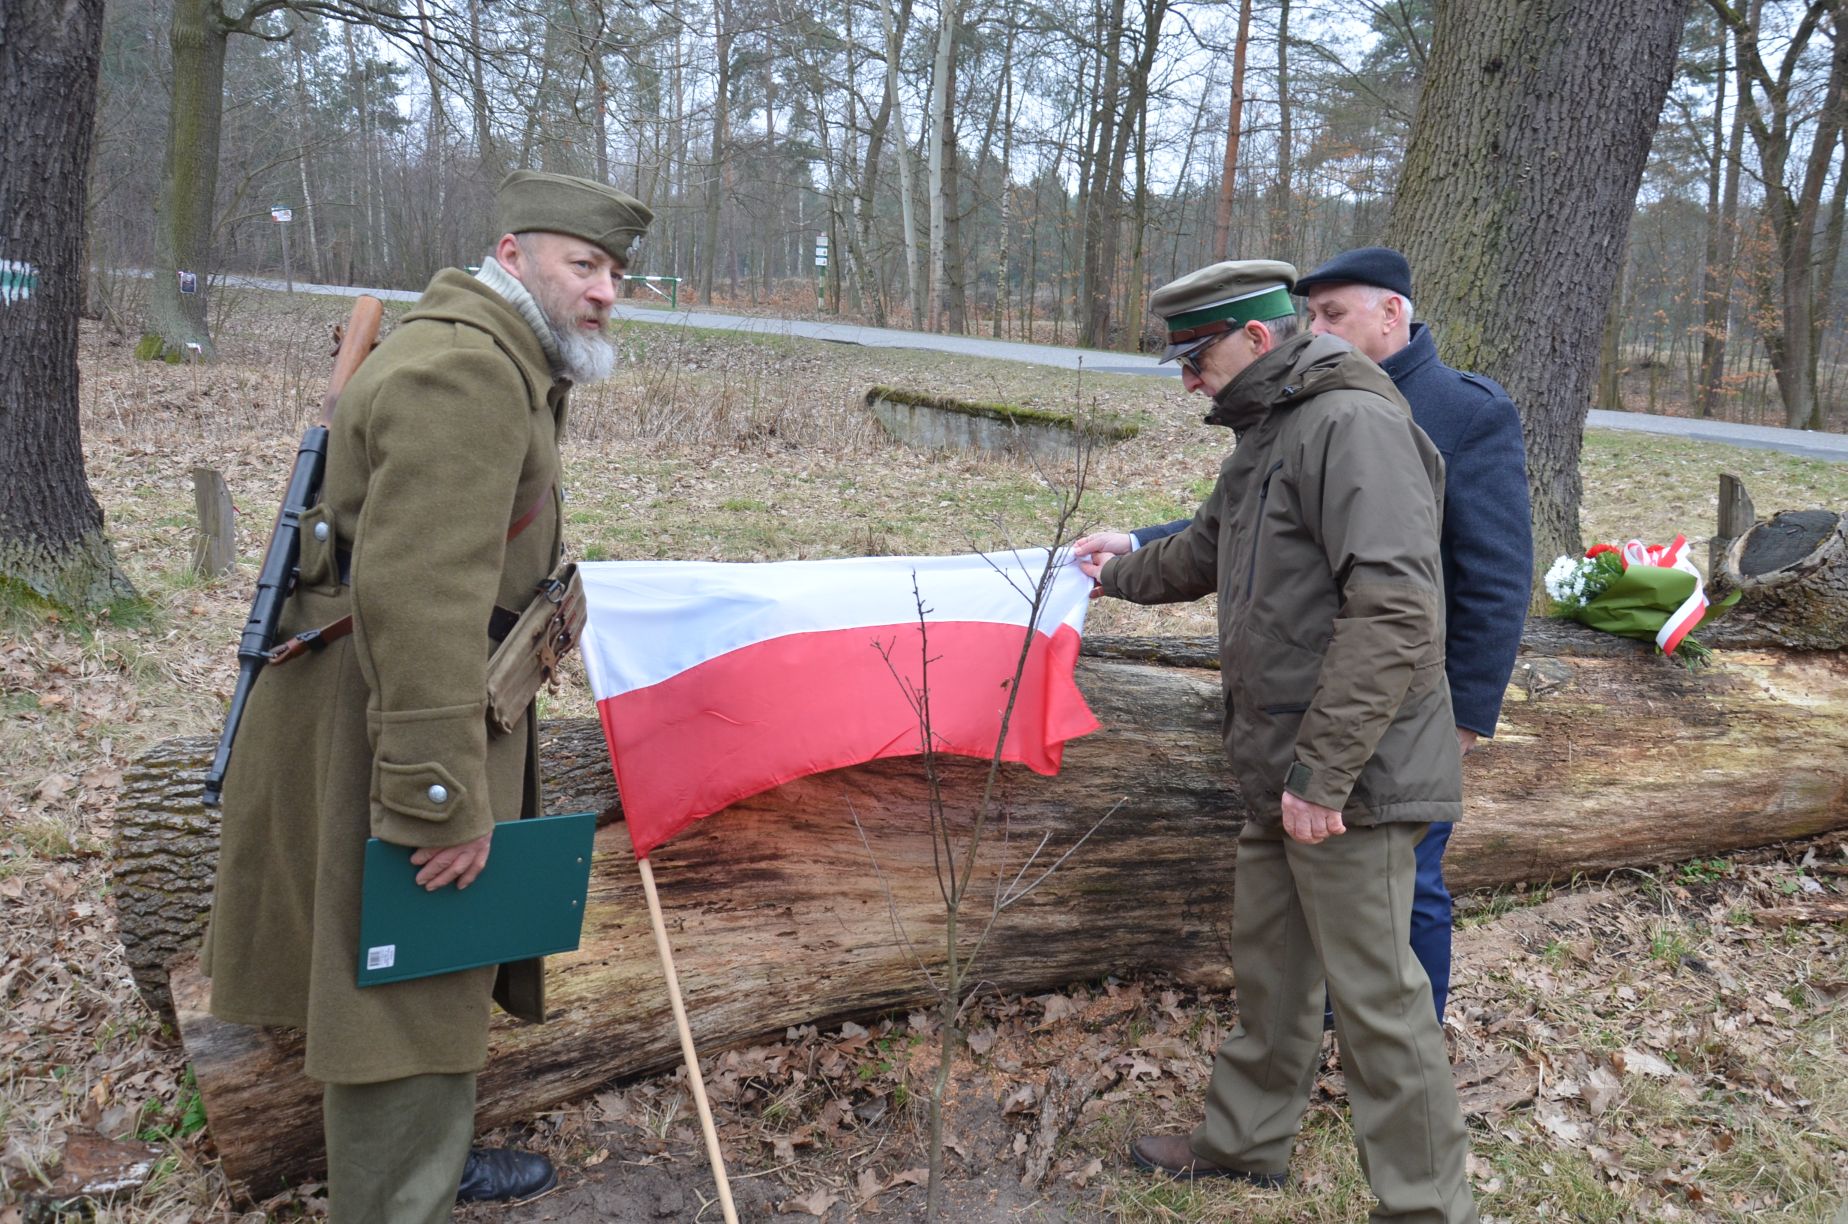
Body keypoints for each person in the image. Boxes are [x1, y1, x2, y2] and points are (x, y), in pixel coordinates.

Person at [200, 170, 653, 1221]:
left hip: (406, 689)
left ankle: (429, 1163)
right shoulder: (466, 373)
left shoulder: (493, 355)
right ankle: (399, 1199)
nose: (605, 293)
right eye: (584, 265)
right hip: (398, 710)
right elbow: (417, 596)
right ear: (514, 254)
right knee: (406, 971)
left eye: (616, 274)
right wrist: (434, 799)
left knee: (423, 963)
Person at [1078, 259, 1477, 1220]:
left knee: (1380, 1007)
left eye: (1194, 354)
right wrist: (1109, 569)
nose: (1185, 379)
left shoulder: (1353, 425)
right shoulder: (1273, 431)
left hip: (1354, 780)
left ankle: (1428, 1207)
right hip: (1282, 767)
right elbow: (1204, 552)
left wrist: (1325, 776)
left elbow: (1393, 610)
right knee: (1274, 973)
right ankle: (1246, 1144)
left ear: (1260, 338)